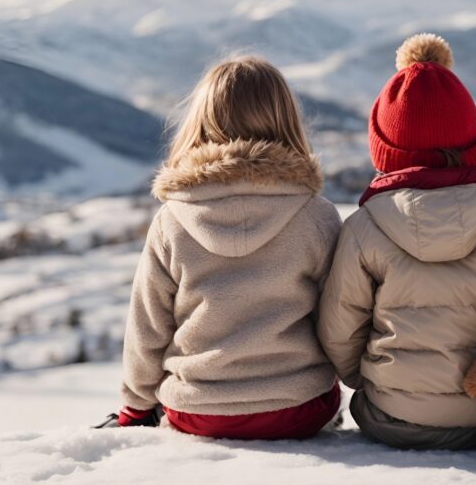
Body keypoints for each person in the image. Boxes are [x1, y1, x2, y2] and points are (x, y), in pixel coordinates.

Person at [317, 33, 476, 450]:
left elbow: (339, 332)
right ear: (473, 143)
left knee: (370, 399)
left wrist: (373, 380)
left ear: (386, 151)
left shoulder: (366, 227)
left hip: (390, 417)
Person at [117, 57, 342, 439]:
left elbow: (147, 325)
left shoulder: (172, 220)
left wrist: (135, 406)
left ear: (200, 122)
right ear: (286, 121)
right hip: (300, 408)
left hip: (196, 409)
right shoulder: (317, 216)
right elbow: (339, 320)